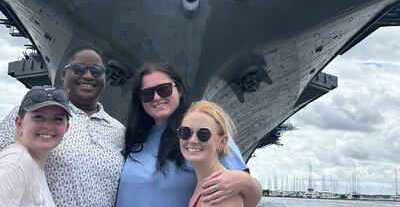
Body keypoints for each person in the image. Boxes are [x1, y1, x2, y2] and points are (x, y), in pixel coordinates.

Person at [116, 63, 262, 207]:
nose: (156, 97)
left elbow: (247, 197)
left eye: (164, 89)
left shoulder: (203, 135)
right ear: (139, 100)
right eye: (147, 94)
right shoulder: (134, 137)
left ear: (179, 90)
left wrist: (245, 181)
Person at [0, 47, 125, 207]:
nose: (88, 76)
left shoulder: (118, 130)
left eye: (96, 71)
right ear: (63, 74)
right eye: (79, 69)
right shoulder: (28, 116)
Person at [0, 86, 70, 207]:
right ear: (19, 123)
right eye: (38, 117)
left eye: (57, 119)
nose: (48, 126)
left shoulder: (31, 163)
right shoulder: (15, 163)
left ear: (66, 128)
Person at [179, 101, 244, 207]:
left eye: (203, 134)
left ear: (222, 142)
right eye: (185, 132)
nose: (192, 140)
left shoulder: (219, 194)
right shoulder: (206, 183)